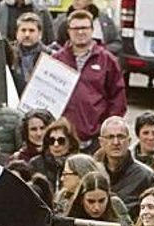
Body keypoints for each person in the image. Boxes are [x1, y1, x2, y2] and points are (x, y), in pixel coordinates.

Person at [51, 10, 126, 147]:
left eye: (84, 28)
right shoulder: (56, 60)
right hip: (62, 139)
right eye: (75, 28)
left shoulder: (107, 60)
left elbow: (118, 98)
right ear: (68, 31)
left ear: (92, 30)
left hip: (95, 138)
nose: (80, 32)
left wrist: (107, 129)